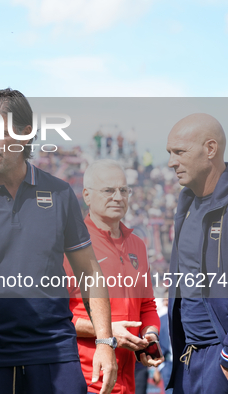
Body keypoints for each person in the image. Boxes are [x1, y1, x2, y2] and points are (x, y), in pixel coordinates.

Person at [0, 89, 117, 394]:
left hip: (55, 351)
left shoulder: (60, 193)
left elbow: (90, 273)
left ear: (26, 134)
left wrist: (105, 343)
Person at [64, 159, 163, 394]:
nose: (118, 197)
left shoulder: (137, 245)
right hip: (84, 378)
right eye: (109, 190)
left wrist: (150, 336)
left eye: (123, 190)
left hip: (128, 380)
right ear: (87, 195)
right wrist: (105, 330)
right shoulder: (69, 246)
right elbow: (54, 316)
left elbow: (147, 305)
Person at [166, 113, 228, 394]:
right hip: (189, 357)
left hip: (224, 360)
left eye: (179, 152)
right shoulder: (186, 202)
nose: (171, 162)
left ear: (210, 149)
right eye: (169, 153)